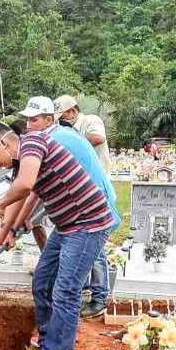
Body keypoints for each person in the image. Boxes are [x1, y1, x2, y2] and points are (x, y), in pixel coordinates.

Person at [0, 97, 117, 350]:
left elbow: (25, 187)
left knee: (65, 292)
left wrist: (2, 205)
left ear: (6, 142)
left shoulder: (31, 142)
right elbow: (23, 204)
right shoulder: (25, 161)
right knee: (42, 283)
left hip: (88, 223)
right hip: (69, 225)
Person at [49, 119, 120, 319]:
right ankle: (89, 292)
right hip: (85, 213)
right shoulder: (70, 144)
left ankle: (99, 298)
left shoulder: (71, 144)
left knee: (95, 254)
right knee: (86, 256)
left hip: (96, 212)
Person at [54, 95, 111, 172]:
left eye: (62, 117)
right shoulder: (67, 128)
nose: (60, 120)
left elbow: (98, 139)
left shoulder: (91, 120)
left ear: (73, 111)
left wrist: (69, 138)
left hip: (96, 175)